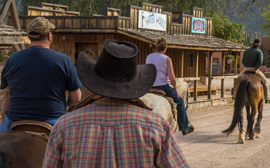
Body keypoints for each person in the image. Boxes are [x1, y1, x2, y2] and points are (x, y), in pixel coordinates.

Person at [43, 40, 189, 167]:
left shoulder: (63, 127)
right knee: (179, 103)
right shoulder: (158, 127)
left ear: (94, 80)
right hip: (164, 86)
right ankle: (184, 124)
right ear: (134, 82)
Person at [0, 17, 82, 132]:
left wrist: (3, 123)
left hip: (15, 119)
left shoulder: (12, 60)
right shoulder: (64, 61)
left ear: (29, 37)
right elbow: (77, 98)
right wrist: (66, 104)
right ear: (49, 36)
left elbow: (6, 96)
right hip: (54, 120)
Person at [146, 37, 194, 135]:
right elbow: (172, 78)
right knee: (180, 102)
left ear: (155, 47)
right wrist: (176, 89)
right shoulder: (167, 59)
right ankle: (184, 127)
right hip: (162, 86)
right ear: (165, 48)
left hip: (149, 86)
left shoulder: (149, 57)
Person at [241, 38, 270, 103]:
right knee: (265, 81)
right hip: (254, 69)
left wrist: (246, 66)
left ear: (253, 44)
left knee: (237, 79)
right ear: (258, 45)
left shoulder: (246, 51)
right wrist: (256, 68)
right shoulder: (259, 51)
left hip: (246, 69)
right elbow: (260, 61)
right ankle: (267, 98)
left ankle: (234, 95)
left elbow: (243, 60)